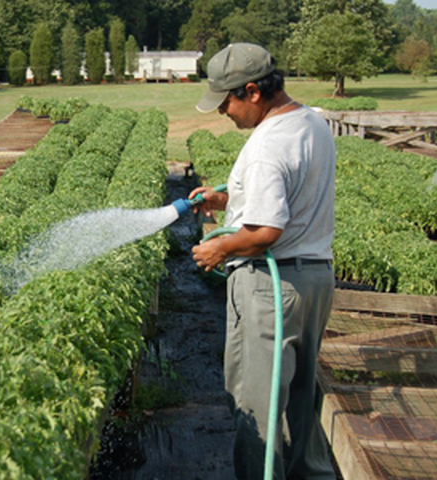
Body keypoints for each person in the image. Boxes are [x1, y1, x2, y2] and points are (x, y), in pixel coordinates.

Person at [190, 43, 337, 480]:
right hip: (314, 280)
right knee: (300, 402)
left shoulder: (265, 147)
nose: (223, 113)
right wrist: (227, 199)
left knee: (258, 410)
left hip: (271, 289)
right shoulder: (311, 122)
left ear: (252, 91)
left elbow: (266, 233)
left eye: (226, 102)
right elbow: (288, 197)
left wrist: (220, 248)